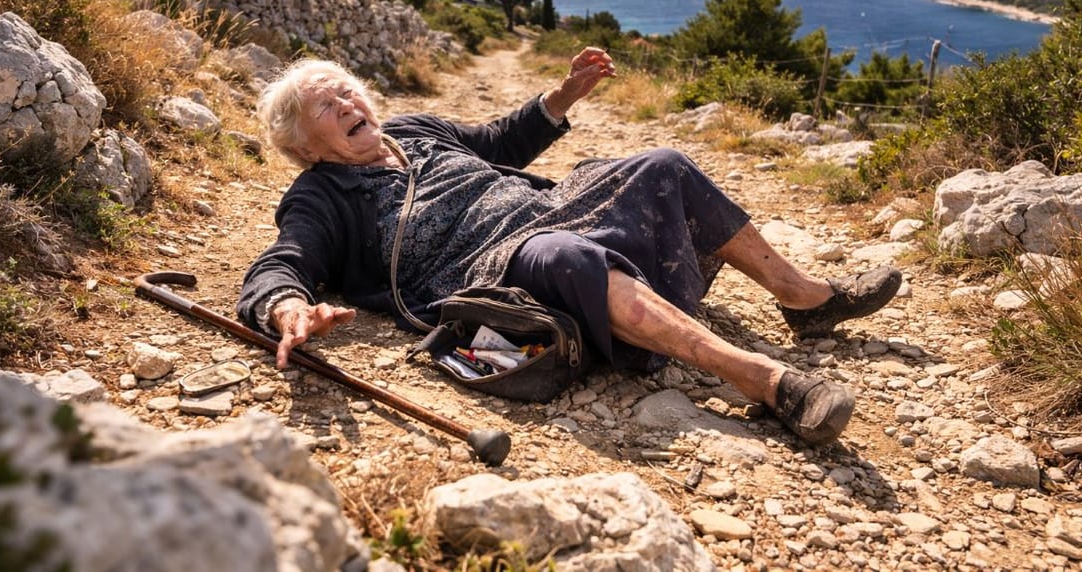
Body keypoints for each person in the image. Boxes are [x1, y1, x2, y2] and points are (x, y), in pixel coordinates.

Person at [236, 48, 902, 445]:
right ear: (305, 146)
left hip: (553, 207)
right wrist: (285, 306)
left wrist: (563, 95)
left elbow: (497, 143)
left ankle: (803, 298)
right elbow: (284, 261)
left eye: (347, 89)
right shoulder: (321, 196)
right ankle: (763, 379)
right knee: (566, 257)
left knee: (663, 162)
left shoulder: (414, 128)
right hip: (494, 269)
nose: (349, 102)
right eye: (327, 106)